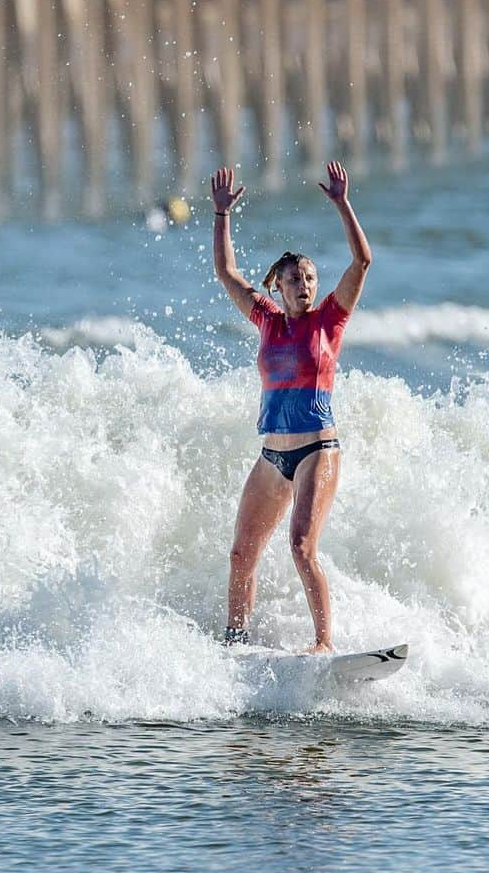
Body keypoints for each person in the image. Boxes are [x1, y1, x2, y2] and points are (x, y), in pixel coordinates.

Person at [210, 161, 371, 654]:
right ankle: (234, 645)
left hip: (316, 451)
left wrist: (343, 204)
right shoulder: (266, 320)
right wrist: (222, 215)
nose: (304, 283)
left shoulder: (329, 321)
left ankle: (323, 645)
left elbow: (362, 262)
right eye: (294, 278)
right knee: (242, 554)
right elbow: (227, 273)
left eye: (309, 277)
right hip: (272, 457)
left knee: (301, 549)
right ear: (277, 286)